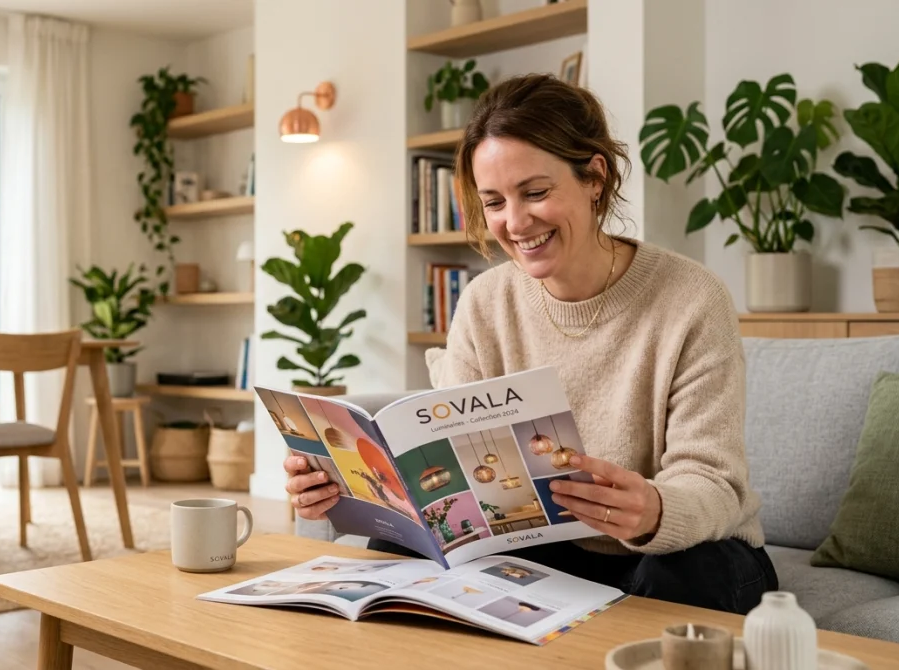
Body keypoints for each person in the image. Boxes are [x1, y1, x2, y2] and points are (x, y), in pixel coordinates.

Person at [282, 73, 777, 615]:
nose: (515, 223)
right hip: (543, 550)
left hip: (675, 551)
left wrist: (654, 509)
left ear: (594, 176)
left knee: (684, 571)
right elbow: (457, 475)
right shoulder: (484, 302)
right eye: (494, 202)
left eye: (536, 192)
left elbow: (713, 481)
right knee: (395, 551)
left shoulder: (692, 298)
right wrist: (349, 490)